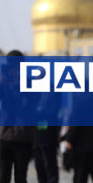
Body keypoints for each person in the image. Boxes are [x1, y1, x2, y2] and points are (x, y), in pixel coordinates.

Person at [0, 50, 35, 183]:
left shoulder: (30, 83)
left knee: (21, 175)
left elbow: (31, 104)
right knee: (4, 174)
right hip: (5, 136)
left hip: (23, 135)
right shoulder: (4, 82)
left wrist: (19, 85)